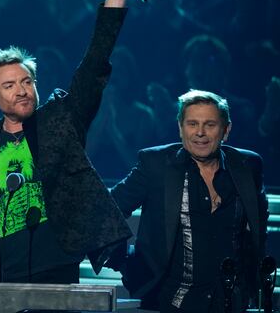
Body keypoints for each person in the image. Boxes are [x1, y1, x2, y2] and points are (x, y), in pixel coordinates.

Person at [0, 0, 133, 284]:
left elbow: (94, 65)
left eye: (27, 81)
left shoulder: (60, 121)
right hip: (0, 276)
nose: (22, 90)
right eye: (10, 85)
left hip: (55, 271)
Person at [109, 90, 269, 312]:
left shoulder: (248, 165)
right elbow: (107, 211)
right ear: (180, 128)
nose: (200, 133)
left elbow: (259, 230)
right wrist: (126, 263)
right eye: (192, 124)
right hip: (171, 300)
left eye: (210, 125)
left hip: (231, 302)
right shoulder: (156, 164)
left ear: (226, 130)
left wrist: (252, 283)